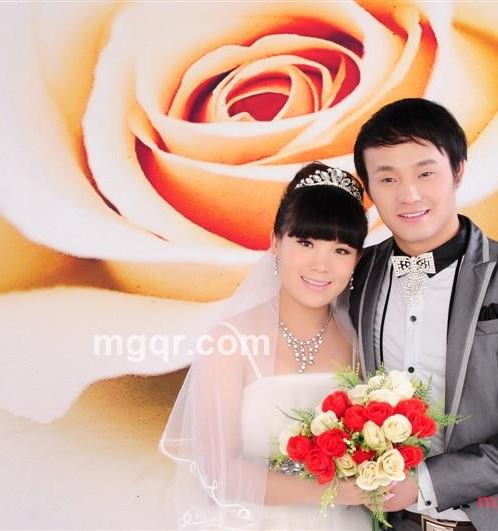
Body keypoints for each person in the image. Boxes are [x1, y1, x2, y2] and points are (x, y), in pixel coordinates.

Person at [348, 98, 498, 531]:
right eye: (388, 178)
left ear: (457, 171)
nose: (408, 194)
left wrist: (425, 483)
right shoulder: (357, 275)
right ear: (370, 188)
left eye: (425, 173)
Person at [159, 162, 373, 529]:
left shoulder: (359, 342)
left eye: (341, 250)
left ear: (357, 259)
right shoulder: (230, 342)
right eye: (305, 243)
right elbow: (220, 471)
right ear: (276, 243)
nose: (321, 265)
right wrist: (334, 491)